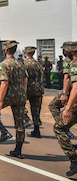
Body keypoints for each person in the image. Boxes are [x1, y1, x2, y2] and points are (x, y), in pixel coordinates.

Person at [0, 40, 28, 159]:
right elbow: (25, 80)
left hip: (9, 95)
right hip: (20, 95)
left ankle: (4, 131)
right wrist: (23, 94)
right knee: (20, 124)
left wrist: (0, 100)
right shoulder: (20, 63)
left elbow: (4, 82)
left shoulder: (4, 64)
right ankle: (18, 150)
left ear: (5, 50)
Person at [55, 41, 77, 176]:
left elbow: (76, 87)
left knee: (58, 128)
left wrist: (68, 109)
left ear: (72, 52)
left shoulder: (74, 64)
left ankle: (74, 160)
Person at [49, 42, 74, 138]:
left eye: (64, 49)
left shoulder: (67, 60)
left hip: (71, 89)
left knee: (53, 105)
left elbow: (67, 77)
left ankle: (64, 127)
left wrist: (64, 93)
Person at [23, 46, 44, 138]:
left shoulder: (25, 63)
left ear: (26, 53)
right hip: (39, 89)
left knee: (19, 105)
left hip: (29, 88)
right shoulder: (38, 64)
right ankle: (37, 130)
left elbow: (24, 78)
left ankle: (26, 119)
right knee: (36, 110)